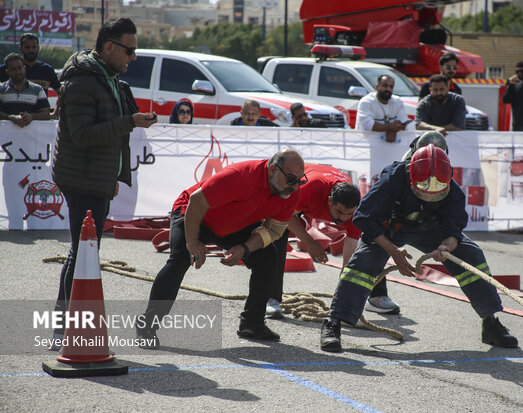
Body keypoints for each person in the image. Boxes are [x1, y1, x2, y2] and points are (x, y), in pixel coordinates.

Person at [320, 144, 519, 352]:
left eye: (436, 193)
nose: (429, 196)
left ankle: (490, 323)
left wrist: (446, 247)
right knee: (362, 262)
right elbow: (363, 217)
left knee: (471, 253)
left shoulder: (453, 190)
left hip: (430, 229)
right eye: (423, 190)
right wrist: (393, 251)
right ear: (412, 175)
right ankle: (334, 323)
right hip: (390, 229)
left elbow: (455, 229)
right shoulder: (392, 178)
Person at [49, 17, 158, 350]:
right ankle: (65, 330)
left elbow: (110, 137)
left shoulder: (107, 77)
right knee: (83, 254)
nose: (134, 57)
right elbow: (82, 135)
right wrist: (130, 121)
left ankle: (63, 327)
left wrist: (112, 176)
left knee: (82, 254)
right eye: (130, 50)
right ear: (109, 47)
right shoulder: (84, 81)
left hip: (94, 177)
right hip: (81, 178)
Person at [138, 149, 306, 347]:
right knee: (180, 259)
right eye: (291, 179)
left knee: (268, 256)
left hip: (235, 223)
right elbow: (197, 201)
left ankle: (251, 324)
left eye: (300, 181)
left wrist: (244, 248)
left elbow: (273, 231)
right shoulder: (240, 176)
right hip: (195, 214)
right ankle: (147, 325)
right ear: (272, 170)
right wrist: (192, 241)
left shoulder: (290, 193)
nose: (295, 186)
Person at [267, 164, 400, 318]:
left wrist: (345, 290)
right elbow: (284, 214)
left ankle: (377, 295)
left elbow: (350, 255)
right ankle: (270, 298)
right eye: (340, 212)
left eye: (348, 214)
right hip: (309, 188)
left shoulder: (358, 212)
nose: (343, 218)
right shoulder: (308, 190)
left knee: (372, 241)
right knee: (277, 231)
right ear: (330, 201)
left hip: (324, 186)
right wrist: (310, 243)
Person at [355, 74, 410, 143]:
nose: (388, 89)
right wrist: (391, 127)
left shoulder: (397, 101)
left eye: (391, 87)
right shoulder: (366, 102)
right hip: (365, 145)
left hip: (392, 146)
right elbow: (367, 125)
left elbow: (403, 123)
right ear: (377, 87)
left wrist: (393, 130)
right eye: (385, 86)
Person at [0, 53, 50, 127]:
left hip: (31, 137)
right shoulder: (1, 89)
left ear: (24, 68)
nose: (17, 72)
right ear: (7, 72)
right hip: (6, 137)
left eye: (19, 68)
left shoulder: (37, 89)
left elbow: (46, 114)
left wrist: (32, 116)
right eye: (13, 69)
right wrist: (10, 117)